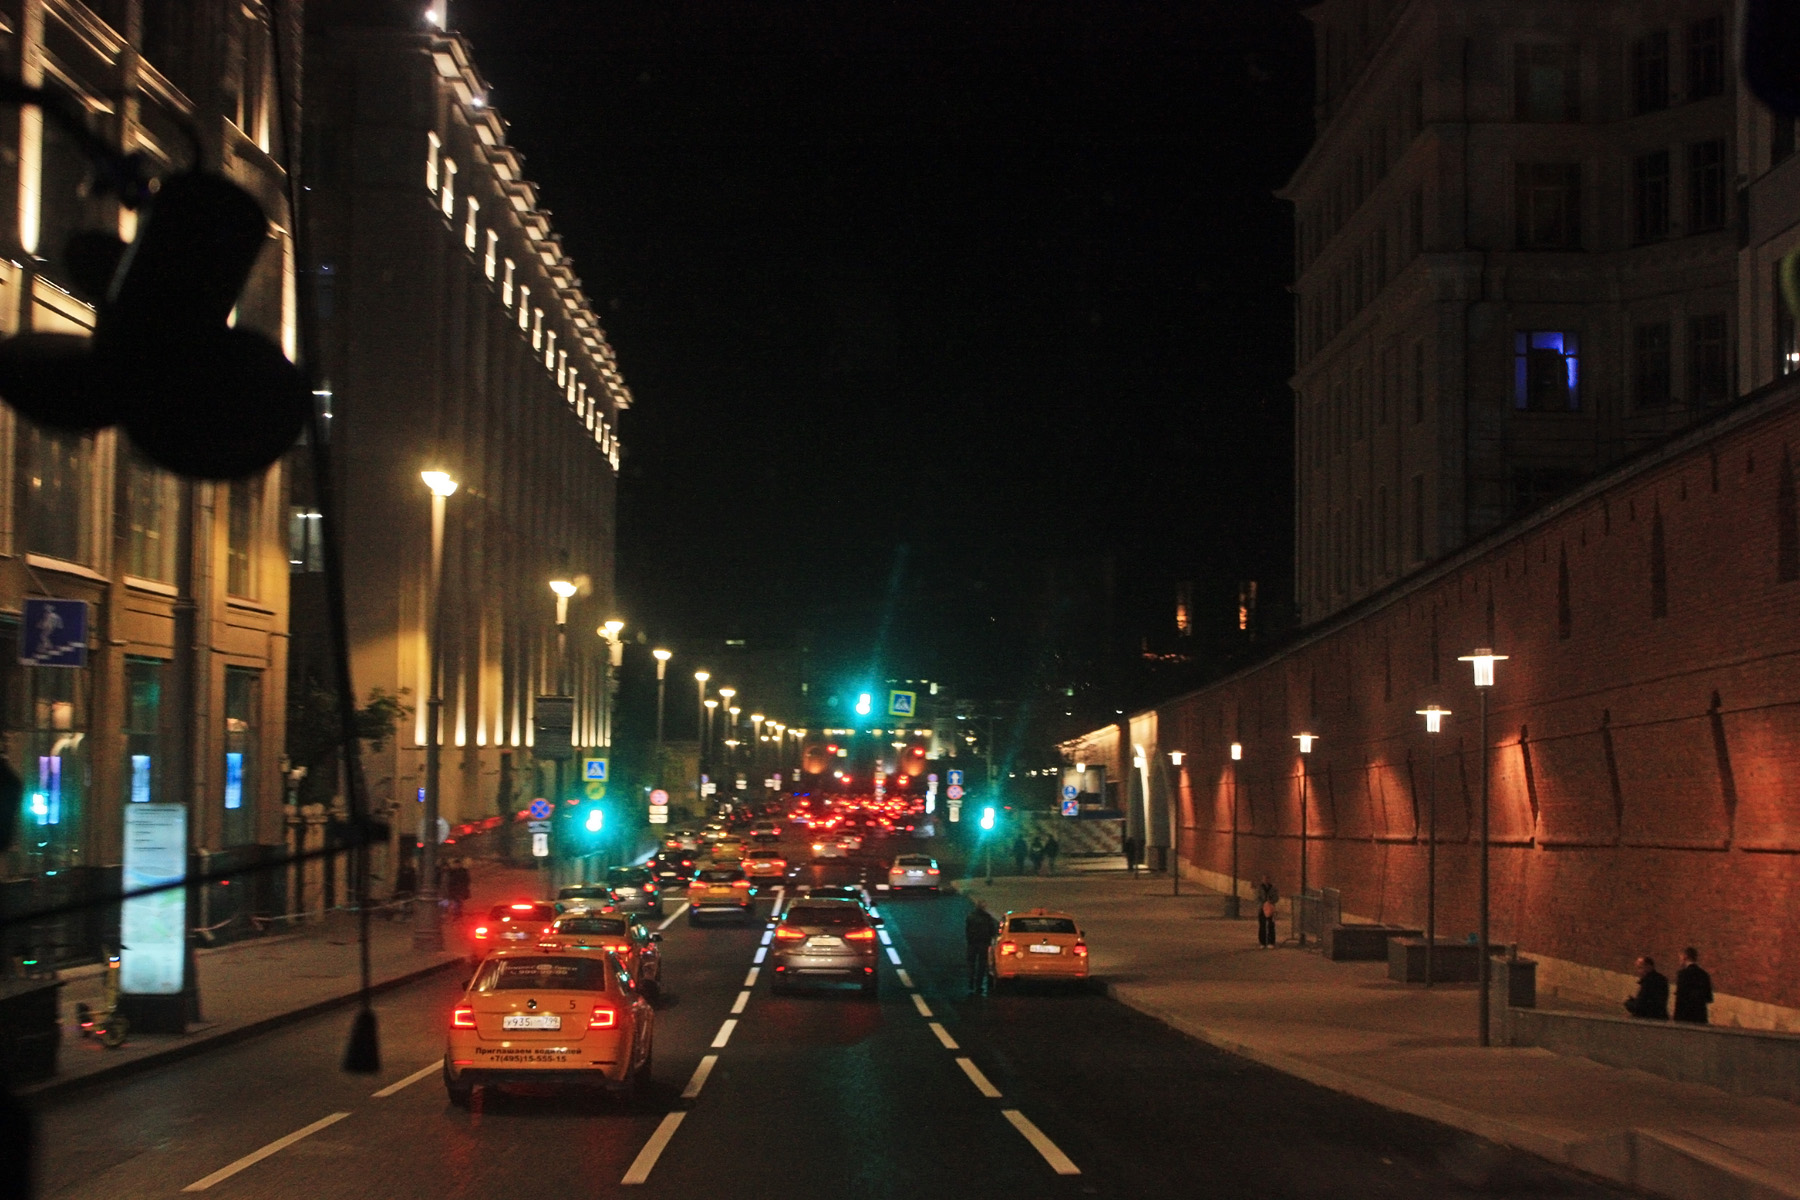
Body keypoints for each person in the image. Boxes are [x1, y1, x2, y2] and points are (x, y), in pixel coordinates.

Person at [965, 900, 999, 994]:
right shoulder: (987, 918)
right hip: (984, 944)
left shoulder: (971, 916)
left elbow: (967, 929)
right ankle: (978, 984)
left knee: (971, 964)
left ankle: (971, 982)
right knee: (982, 965)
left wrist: (970, 939)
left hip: (972, 943)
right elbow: (993, 931)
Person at [1674, 946, 1714, 1024]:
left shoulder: (1683, 974)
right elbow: (1709, 998)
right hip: (1700, 1015)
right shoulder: (1704, 974)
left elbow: (1681, 998)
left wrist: (1677, 1018)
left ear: (1685, 957)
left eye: (1680, 957)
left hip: (1685, 1016)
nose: (1679, 960)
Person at [1624, 955, 1670, 1019]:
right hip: (1660, 1017)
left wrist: (1628, 1003)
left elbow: (1640, 1006)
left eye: (1640, 968)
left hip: (1649, 1018)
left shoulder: (1648, 982)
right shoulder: (1662, 979)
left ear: (1649, 967)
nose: (1638, 971)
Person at [1256, 877, 1279, 948]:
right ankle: (1262, 942)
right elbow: (1257, 898)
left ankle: (1271, 942)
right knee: (1262, 925)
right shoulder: (1259, 888)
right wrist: (1263, 903)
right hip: (1262, 908)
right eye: (1264, 879)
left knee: (1271, 925)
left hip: (1270, 908)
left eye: (1267, 879)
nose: (1266, 880)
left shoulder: (1273, 888)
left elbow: (1276, 897)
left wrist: (1270, 901)